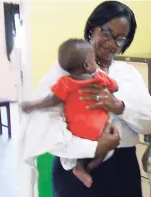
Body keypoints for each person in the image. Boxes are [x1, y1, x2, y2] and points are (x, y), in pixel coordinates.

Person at [24, 1, 151, 197]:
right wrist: (94, 147)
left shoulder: (127, 74)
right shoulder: (62, 73)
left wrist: (119, 106)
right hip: (77, 173)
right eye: (106, 33)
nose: (110, 43)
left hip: (122, 172)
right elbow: (47, 131)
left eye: (120, 38)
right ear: (92, 29)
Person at [21, 38, 119, 188]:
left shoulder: (65, 82)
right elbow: (115, 87)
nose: (97, 64)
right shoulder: (100, 78)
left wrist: (32, 105)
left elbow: (51, 101)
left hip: (76, 131)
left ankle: (79, 167)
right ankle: (89, 167)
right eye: (94, 60)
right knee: (105, 149)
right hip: (100, 129)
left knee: (82, 152)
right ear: (87, 65)